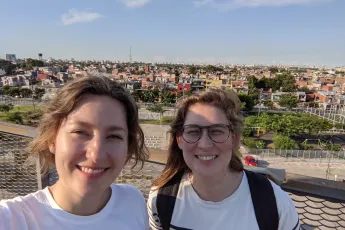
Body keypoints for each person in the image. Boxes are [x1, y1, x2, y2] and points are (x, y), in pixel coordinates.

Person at [0, 76, 149, 230]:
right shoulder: (11, 219)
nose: (96, 155)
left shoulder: (133, 202)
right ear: (52, 139)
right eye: (80, 132)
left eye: (114, 136)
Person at [147, 89, 300, 230]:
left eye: (217, 131)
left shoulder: (274, 203)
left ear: (234, 139)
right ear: (179, 139)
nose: (205, 145)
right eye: (193, 131)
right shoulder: (161, 200)